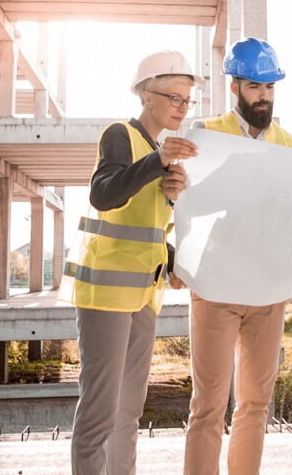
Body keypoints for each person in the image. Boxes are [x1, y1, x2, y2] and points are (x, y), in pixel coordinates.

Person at [66, 50, 201, 475]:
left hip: (145, 294)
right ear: (146, 94)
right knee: (100, 412)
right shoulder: (120, 135)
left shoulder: (158, 151)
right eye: (175, 97)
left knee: (129, 413)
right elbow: (104, 195)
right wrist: (156, 165)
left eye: (187, 100)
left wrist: (175, 255)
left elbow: (147, 228)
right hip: (106, 294)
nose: (182, 107)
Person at [182, 38, 292, 475]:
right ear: (236, 86)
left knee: (255, 404)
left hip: (268, 290)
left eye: (270, 87)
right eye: (255, 86)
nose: (264, 96)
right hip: (216, 286)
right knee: (208, 406)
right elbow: (184, 202)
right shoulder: (207, 133)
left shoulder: (291, 145)